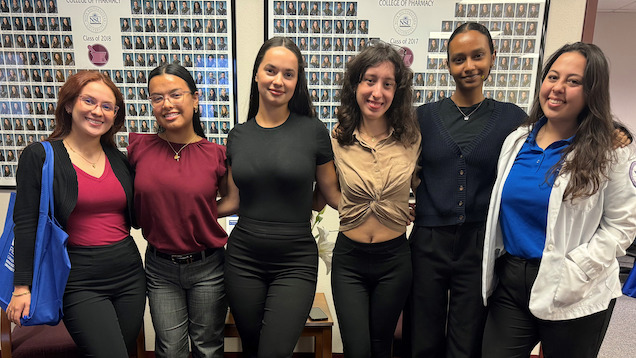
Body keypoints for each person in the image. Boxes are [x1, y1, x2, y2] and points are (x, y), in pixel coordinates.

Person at [481, 42, 636, 358]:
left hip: (577, 286)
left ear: (592, 91)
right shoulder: (516, 140)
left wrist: (579, 269)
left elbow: (623, 225)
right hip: (512, 281)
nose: (558, 88)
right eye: (553, 77)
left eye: (573, 81)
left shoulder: (612, 151)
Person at [404, 22, 528, 358]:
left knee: (468, 334)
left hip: (480, 242)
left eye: (477, 56)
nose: (468, 66)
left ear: (492, 59)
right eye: (459, 59)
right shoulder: (423, 117)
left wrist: (616, 131)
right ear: (447, 64)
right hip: (427, 242)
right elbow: (395, 163)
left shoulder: (513, 120)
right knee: (422, 333)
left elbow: (554, 137)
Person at [6, 71, 145, 357]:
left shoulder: (120, 159)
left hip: (129, 273)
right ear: (69, 105)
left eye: (108, 106)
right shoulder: (41, 156)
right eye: (89, 101)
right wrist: (22, 287)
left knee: (124, 350)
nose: (98, 111)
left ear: (115, 115)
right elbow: (26, 224)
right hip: (78, 278)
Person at [218, 37, 340, 358]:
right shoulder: (238, 135)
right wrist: (186, 212)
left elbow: (328, 194)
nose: (278, 81)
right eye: (271, 70)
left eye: (289, 74)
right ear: (257, 73)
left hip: (295, 261)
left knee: (274, 351)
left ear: (297, 81)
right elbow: (232, 201)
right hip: (243, 258)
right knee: (253, 349)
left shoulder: (313, 131)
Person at [127, 64, 229, 358]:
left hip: (208, 266)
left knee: (207, 348)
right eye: (157, 98)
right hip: (160, 268)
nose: (166, 104)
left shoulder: (216, 154)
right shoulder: (139, 148)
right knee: (170, 350)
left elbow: (234, 200)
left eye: (175, 94)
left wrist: (200, 213)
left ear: (195, 99)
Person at [329, 42, 421, 357]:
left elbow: (428, 184)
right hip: (349, 260)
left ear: (397, 91)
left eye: (387, 83)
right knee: (356, 348)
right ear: (356, 84)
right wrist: (349, 208)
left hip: (394, 259)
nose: (376, 92)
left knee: (382, 346)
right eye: (370, 80)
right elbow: (329, 190)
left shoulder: (412, 139)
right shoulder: (338, 137)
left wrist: (409, 210)